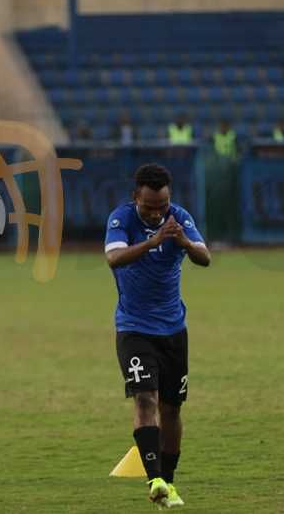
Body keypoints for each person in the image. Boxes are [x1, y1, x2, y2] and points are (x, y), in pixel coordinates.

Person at [104, 164, 211, 508]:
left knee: (172, 409)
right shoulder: (121, 219)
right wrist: (152, 241)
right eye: (149, 206)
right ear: (135, 197)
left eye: (162, 205)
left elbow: (205, 258)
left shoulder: (179, 218)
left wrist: (183, 241)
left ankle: (170, 481)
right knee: (145, 399)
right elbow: (114, 258)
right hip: (134, 329)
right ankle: (155, 480)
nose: (156, 213)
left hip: (174, 331)